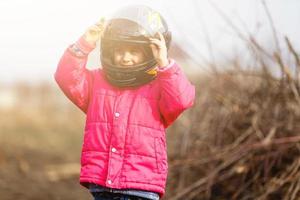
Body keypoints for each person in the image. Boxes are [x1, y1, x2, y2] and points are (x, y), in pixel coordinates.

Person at [54, 5, 195, 200]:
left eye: (134, 51)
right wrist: (84, 43)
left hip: (141, 187)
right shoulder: (97, 83)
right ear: (109, 52)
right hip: (101, 185)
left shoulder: (159, 85)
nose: (126, 57)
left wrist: (165, 63)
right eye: (119, 51)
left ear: (149, 53)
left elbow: (181, 99)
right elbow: (67, 77)